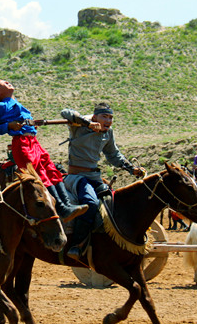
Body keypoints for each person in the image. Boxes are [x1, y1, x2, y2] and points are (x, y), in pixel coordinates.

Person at [0, 79, 86, 222]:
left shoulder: (17, 103)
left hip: (34, 142)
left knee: (51, 169)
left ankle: (68, 205)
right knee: (40, 174)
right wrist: (8, 126)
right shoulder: (1, 106)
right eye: (2, 83)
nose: (8, 82)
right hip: (22, 143)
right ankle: (61, 208)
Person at [60, 103, 145, 258]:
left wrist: (131, 169)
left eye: (111, 117)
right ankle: (76, 245)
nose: (108, 120)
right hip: (77, 177)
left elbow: (114, 155)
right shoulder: (78, 125)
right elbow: (65, 112)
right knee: (91, 204)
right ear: (95, 116)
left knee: (114, 204)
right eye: (104, 116)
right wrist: (88, 124)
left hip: (95, 177)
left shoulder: (108, 133)